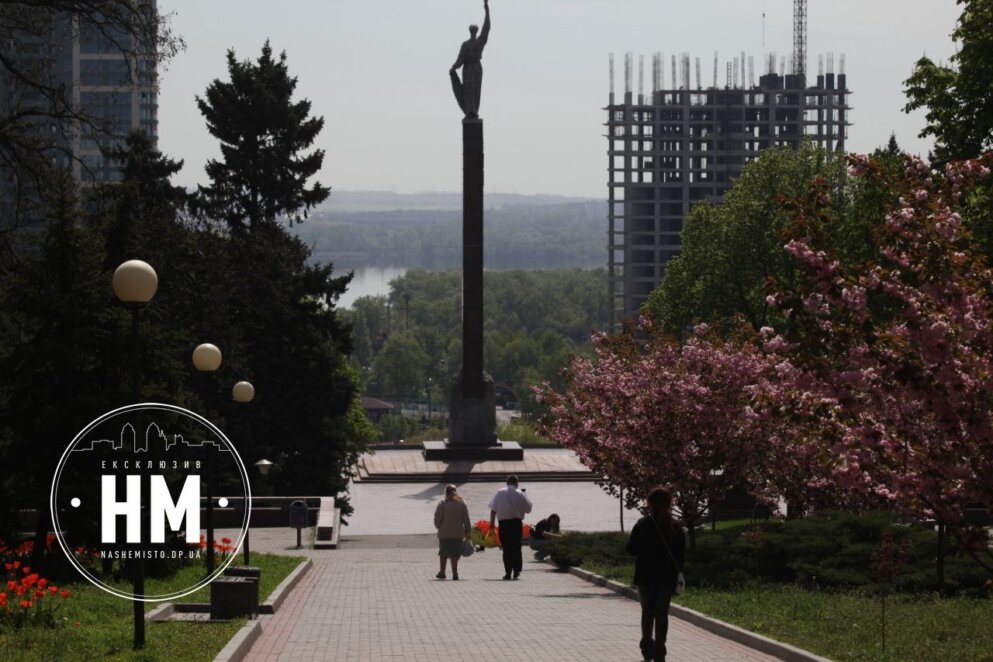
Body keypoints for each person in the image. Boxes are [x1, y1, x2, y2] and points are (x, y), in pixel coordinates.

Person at [626, 487, 686, 662]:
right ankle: (660, 650)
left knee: (647, 612)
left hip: (645, 576)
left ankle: (646, 646)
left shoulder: (643, 524)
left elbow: (631, 549)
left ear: (649, 503)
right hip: (666, 578)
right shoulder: (676, 526)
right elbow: (681, 556)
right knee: (662, 614)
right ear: (670, 503)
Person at [449, 0, 491, 118]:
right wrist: (454, 67)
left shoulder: (478, 43)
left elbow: (486, 29)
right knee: (468, 91)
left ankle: (474, 111)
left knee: (476, 91)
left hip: (476, 69)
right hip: (468, 69)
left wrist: (487, 10)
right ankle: (469, 110)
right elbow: (460, 59)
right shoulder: (467, 44)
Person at [488, 474, 532, 579]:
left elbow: (493, 510)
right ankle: (517, 570)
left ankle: (508, 572)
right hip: (516, 524)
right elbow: (528, 509)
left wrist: (492, 524)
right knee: (516, 547)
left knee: (506, 549)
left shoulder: (499, 492)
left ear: (507, 482)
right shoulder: (520, 493)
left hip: (503, 524)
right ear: (516, 483)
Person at [434, 484, 471, 580]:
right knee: (455, 554)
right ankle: (455, 573)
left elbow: (437, 519)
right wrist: (468, 532)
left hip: (444, 533)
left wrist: (438, 526)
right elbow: (466, 519)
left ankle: (442, 572)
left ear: (446, 492)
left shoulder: (442, 503)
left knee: (443, 553)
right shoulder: (462, 503)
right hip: (457, 533)